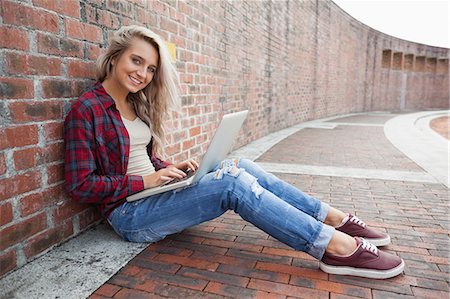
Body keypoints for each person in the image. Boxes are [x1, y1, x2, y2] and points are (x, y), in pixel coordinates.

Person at [64, 25, 404, 279]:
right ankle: (334, 247)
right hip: (129, 215)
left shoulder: (135, 104)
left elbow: (139, 157)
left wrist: (170, 169)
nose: (143, 73)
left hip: (151, 195)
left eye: (151, 68)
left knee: (236, 164)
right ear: (114, 58)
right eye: (136, 61)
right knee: (231, 184)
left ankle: (334, 218)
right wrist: (148, 181)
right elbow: (80, 185)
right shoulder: (87, 109)